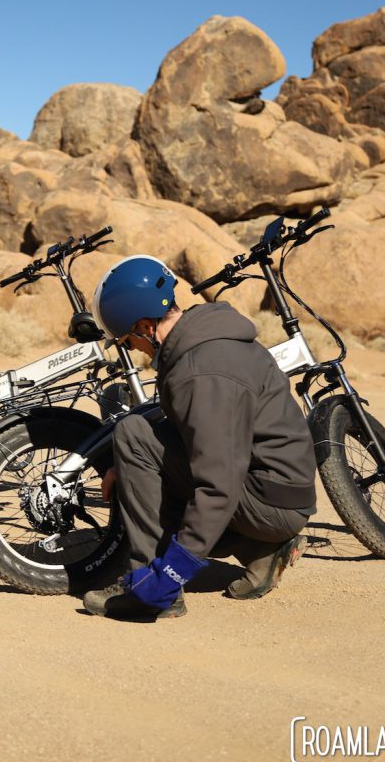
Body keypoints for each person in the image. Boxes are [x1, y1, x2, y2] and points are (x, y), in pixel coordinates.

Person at [83, 255, 317, 620]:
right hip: (276, 489)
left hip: (271, 502)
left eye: (128, 341)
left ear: (146, 326)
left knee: (132, 432)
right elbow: (196, 437)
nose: (133, 351)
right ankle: (262, 552)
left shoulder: (201, 371)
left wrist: (172, 575)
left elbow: (218, 483)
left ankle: (150, 587)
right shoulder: (205, 340)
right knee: (140, 441)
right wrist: (126, 468)